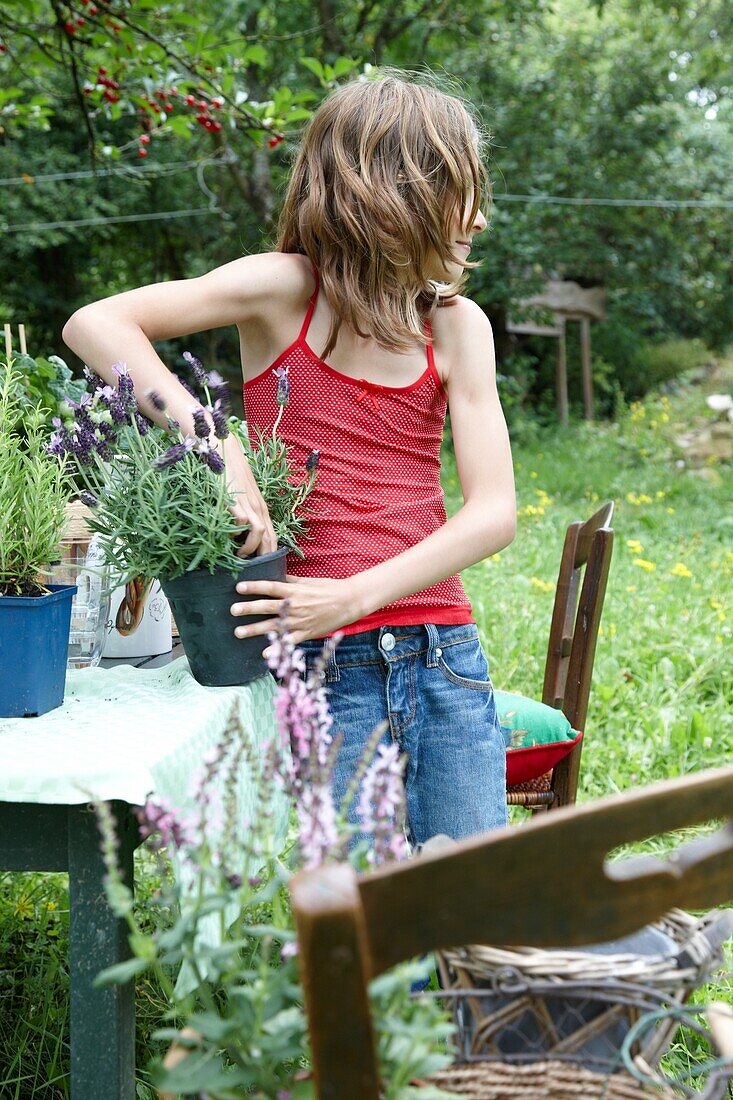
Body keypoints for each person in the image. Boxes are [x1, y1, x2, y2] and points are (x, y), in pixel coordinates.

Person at [63, 73, 516, 845]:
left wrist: (353, 596)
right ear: (391, 191)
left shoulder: (455, 326)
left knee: (478, 905)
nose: (479, 215)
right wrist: (218, 444)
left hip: (444, 651)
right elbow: (96, 323)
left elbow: (494, 514)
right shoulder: (286, 289)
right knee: (363, 935)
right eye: (457, 190)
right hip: (325, 667)